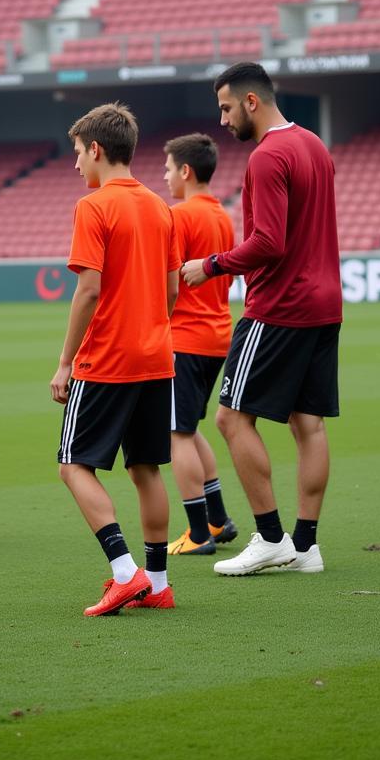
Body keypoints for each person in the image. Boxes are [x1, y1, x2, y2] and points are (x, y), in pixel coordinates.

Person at [182, 62, 342, 577]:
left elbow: (269, 243)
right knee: (307, 423)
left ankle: (271, 537)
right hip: (324, 303)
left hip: (280, 306)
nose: (223, 119)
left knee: (230, 417)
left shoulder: (268, 155)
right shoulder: (315, 145)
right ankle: (307, 545)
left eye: (227, 107)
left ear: (252, 102)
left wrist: (209, 266)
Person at [50, 103, 180, 616]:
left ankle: (125, 574)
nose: (76, 164)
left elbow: (88, 290)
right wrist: (150, 324)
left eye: (78, 153)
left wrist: (65, 362)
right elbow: (171, 288)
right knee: (145, 468)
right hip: (156, 356)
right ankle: (160, 583)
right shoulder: (159, 206)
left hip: (106, 358)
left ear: (96, 149)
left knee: (73, 465)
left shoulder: (94, 207)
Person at [162, 133, 239, 556]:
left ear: (186, 171)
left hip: (184, 336)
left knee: (176, 434)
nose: (166, 176)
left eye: (169, 168)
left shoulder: (180, 216)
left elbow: (169, 281)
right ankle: (217, 519)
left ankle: (197, 533)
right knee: (189, 430)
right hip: (216, 335)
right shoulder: (222, 216)